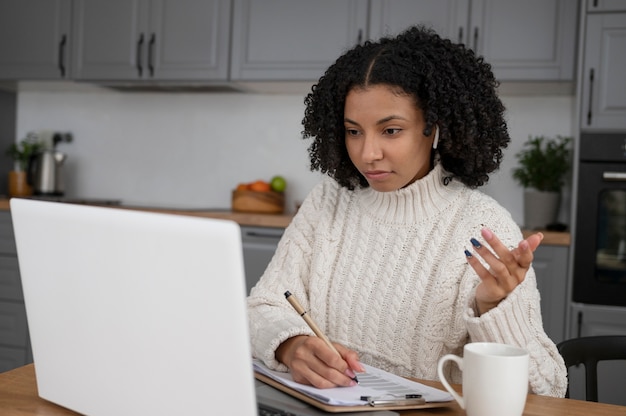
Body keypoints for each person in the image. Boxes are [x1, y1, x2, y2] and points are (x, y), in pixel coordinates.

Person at [247, 25, 567, 398]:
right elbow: (260, 307)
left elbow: (548, 389)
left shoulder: (484, 227)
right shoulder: (328, 202)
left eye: (391, 131)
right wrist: (292, 344)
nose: (368, 153)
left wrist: (492, 307)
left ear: (434, 128)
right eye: (353, 131)